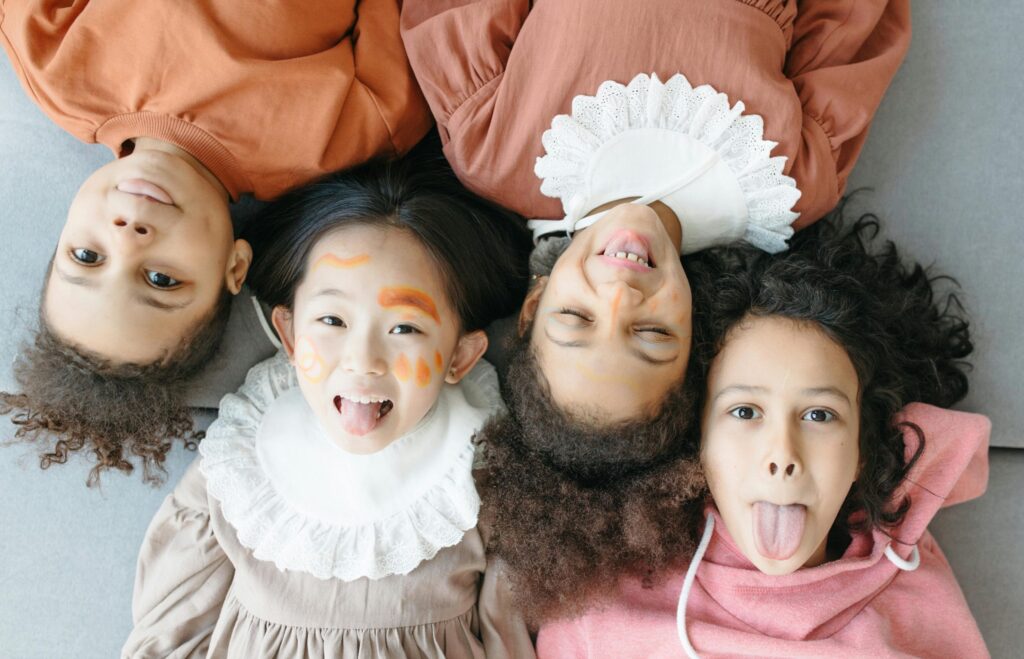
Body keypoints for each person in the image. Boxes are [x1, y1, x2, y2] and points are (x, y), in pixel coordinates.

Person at [0, 0, 431, 483]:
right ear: (235, 268)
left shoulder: (55, 63)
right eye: (161, 279)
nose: (127, 238)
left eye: (86, 256)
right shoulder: (338, 141)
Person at [122, 157, 535, 657]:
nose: (363, 361)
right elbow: (168, 635)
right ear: (291, 336)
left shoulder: (485, 472)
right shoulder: (240, 463)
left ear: (460, 357)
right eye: (333, 320)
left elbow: (508, 636)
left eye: (404, 328)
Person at [534, 212, 989, 657]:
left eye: (818, 416)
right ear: (699, 442)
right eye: (746, 411)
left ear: (862, 452)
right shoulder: (597, 613)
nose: (782, 455)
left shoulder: (914, 605)